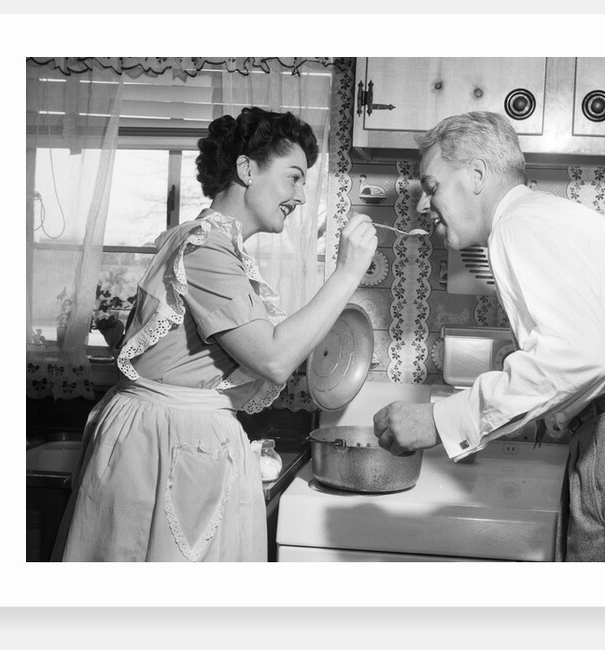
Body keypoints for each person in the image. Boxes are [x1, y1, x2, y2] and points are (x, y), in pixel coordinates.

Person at [372, 111, 605, 562]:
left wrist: (439, 420)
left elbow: (580, 356)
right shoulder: (586, 226)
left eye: (431, 187)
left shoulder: (516, 224)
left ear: (477, 174)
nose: (424, 206)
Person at [55, 107, 377, 561]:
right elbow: (272, 358)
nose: (302, 196)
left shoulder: (210, 243)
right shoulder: (206, 247)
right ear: (247, 169)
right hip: (166, 445)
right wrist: (348, 271)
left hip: (167, 438)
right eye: (294, 177)